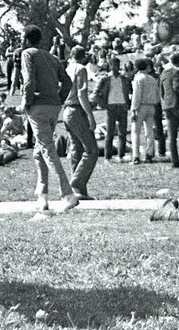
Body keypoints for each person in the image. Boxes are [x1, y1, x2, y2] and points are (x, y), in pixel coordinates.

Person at [20, 26, 78, 212]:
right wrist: (58, 99)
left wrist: (26, 103)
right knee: (39, 151)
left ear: (27, 40)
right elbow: (67, 82)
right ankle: (43, 196)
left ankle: (67, 194)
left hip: (38, 106)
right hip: (54, 106)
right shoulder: (52, 57)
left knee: (47, 150)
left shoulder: (28, 54)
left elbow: (29, 80)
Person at [61, 46, 98, 199]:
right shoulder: (81, 69)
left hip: (67, 110)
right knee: (91, 150)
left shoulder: (67, 69)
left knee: (76, 149)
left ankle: (79, 191)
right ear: (83, 57)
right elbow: (81, 93)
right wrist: (90, 115)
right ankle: (76, 183)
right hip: (77, 110)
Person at [96, 58, 131, 161]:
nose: (115, 67)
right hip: (110, 107)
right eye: (113, 65)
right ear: (110, 66)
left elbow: (129, 92)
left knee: (122, 133)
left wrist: (127, 104)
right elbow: (96, 93)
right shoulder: (105, 79)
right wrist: (103, 105)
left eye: (117, 65)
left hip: (122, 106)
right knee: (109, 133)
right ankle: (108, 157)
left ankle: (121, 155)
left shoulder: (124, 79)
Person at [130, 58, 159, 164]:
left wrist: (134, 109)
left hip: (140, 106)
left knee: (135, 132)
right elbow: (157, 94)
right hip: (151, 106)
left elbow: (137, 95)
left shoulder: (138, 78)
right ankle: (149, 154)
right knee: (149, 131)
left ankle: (136, 156)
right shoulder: (152, 79)